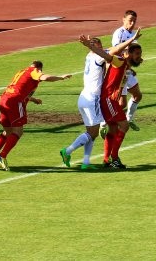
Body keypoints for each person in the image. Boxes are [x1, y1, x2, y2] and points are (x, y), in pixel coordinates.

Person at [59, 30, 141, 170]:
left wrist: (131, 67)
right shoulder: (112, 59)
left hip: (88, 96)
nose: (103, 49)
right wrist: (132, 39)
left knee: (105, 130)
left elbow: (110, 58)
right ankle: (70, 151)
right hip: (98, 98)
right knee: (120, 126)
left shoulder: (92, 57)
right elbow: (110, 53)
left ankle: (92, 162)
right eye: (137, 54)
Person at [0, 61, 72, 171]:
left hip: (4, 99)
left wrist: (33, 99)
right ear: (39, 69)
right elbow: (45, 78)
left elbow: (19, 88)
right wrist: (61, 77)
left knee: (8, 131)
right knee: (18, 131)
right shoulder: (34, 71)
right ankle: (2, 155)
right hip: (15, 101)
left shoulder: (21, 72)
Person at [85, 39, 144, 169]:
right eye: (137, 54)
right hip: (108, 99)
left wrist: (131, 70)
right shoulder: (119, 61)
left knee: (113, 128)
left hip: (110, 99)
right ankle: (114, 158)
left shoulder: (125, 65)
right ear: (129, 53)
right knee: (124, 125)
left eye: (140, 54)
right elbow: (106, 56)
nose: (139, 57)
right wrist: (90, 46)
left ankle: (106, 160)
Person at [110, 10, 142, 132]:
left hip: (128, 70)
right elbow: (116, 51)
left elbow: (132, 54)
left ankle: (129, 119)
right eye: (130, 20)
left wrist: (137, 60)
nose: (132, 23)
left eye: (134, 21)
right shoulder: (119, 33)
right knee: (121, 103)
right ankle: (104, 123)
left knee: (138, 95)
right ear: (123, 20)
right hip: (120, 71)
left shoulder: (134, 34)